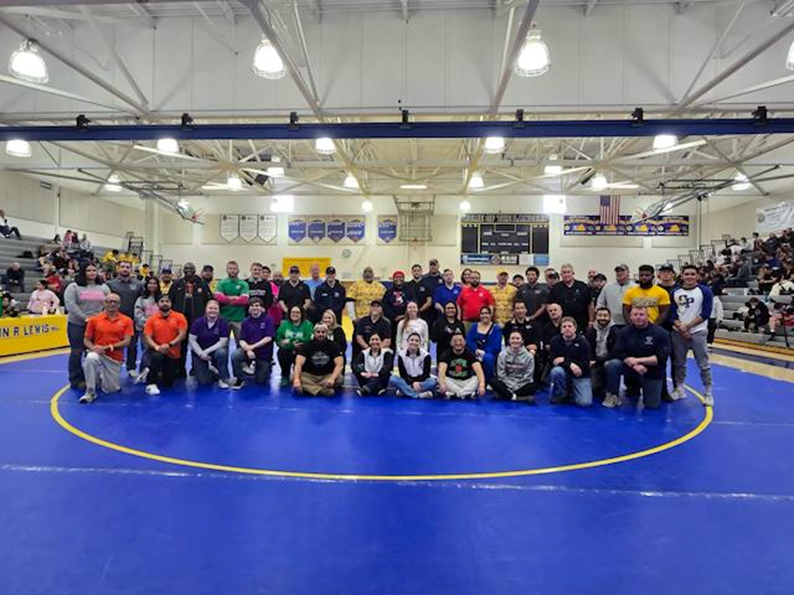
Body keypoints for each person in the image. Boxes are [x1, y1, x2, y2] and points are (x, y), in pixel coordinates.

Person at [604, 306, 672, 410]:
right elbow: (618, 352)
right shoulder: (624, 332)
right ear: (630, 317)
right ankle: (613, 395)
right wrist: (635, 365)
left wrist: (638, 361)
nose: (638, 317)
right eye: (635, 315)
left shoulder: (661, 333)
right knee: (612, 364)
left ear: (648, 316)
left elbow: (661, 358)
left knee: (652, 405)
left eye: (641, 315)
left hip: (652, 370)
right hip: (631, 367)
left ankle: (653, 388)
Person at [670, 265, 714, 406]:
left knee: (703, 364)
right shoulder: (675, 292)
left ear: (697, 276)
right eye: (686, 274)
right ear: (681, 276)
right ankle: (679, 388)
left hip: (698, 332)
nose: (689, 276)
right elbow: (672, 313)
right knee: (679, 363)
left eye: (692, 274)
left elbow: (706, 313)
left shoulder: (705, 291)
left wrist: (687, 327)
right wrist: (680, 326)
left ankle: (708, 393)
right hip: (678, 332)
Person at [79, 293, 134, 403]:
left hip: (115, 357)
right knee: (90, 358)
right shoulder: (94, 320)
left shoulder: (127, 320)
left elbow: (127, 341)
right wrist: (94, 348)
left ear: (119, 305)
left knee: (111, 390)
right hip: (98, 353)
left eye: (115, 302)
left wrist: (108, 347)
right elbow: (86, 340)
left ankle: (100, 376)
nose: (112, 304)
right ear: (104, 303)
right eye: (109, 301)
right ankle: (90, 392)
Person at [64, 262, 110, 389]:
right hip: (77, 325)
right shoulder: (73, 287)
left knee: (97, 352)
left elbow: (109, 304)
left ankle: (96, 377)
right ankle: (76, 379)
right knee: (77, 352)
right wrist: (85, 318)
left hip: (98, 326)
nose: (92, 273)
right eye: (88, 270)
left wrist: (99, 319)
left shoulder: (103, 288)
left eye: (94, 270)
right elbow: (71, 305)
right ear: (83, 272)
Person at [137, 295, 188, 396]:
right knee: (157, 356)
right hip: (156, 350)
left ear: (171, 303)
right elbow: (147, 336)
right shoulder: (152, 319)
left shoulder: (179, 317)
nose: (165, 303)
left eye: (167, 301)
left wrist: (169, 344)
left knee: (168, 383)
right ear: (158, 304)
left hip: (172, 352)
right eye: (162, 301)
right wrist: (157, 347)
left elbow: (182, 334)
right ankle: (150, 383)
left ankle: (155, 372)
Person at [168, 261, 212, 376]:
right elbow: (169, 301)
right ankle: (179, 369)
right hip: (180, 321)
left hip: (197, 321)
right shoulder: (177, 284)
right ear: (183, 270)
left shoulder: (202, 284)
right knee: (180, 345)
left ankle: (196, 368)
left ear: (195, 270)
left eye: (191, 268)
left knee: (197, 344)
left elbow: (209, 301)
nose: (188, 270)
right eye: (186, 268)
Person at [107, 260, 145, 375]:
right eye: (122, 267)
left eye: (127, 267)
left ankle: (131, 367)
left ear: (131, 269)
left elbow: (141, 302)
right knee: (113, 344)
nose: (125, 269)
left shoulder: (138, 284)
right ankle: (112, 367)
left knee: (132, 345)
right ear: (117, 269)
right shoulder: (110, 284)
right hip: (114, 320)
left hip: (132, 320)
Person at [231, 297, 275, 388]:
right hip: (249, 351)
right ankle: (239, 378)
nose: (254, 308)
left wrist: (252, 347)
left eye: (257, 305)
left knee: (261, 381)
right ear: (249, 308)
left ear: (262, 308)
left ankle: (265, 365)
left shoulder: (268, 319)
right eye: (252, 306)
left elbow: (268, 338)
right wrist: (248, 349)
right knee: (235, 355)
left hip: (263, 353)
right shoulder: (246, 321)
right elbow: (242, 340)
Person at [548, 317, 592, 407]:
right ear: (561, 329)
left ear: (575, 328)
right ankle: (562, 393)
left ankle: (572, 390)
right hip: (564, 373)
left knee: (585, 403)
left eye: (569, 326)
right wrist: (570, 364)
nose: (567, 328)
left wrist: (564, 360)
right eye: (564, 327)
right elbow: (553, 360)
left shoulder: (584, 343)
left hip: (580, 375)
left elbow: (585, 365)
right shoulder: (555, 341)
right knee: (556, 372)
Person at [293, 323, 344, 397]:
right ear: (314, 333)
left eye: (323, 332)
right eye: (318, 332)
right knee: (293, 377)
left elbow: (339, 364)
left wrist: (332, 379)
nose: (320, 334)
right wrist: (297, 380)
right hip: (309, 376)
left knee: (339, 379)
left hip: (326, 376)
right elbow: (298, 364)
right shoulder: (306, 346)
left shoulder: (334, 346)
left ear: (327, 333)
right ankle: (321, 391)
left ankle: (310, 389)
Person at [189, 299, 231, 388]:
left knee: (222, 353)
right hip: (199, 352)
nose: (213, 310)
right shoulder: (197, 322)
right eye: (210, 308)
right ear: (206, 309)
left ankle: (223, 378)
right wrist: (200, 353)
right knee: (204, 382)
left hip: (215, 351)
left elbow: (223, 342)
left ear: (219, 310)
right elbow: (192, 340)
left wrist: (206, 352)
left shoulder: (223, 323)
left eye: (215, 308)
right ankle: (212, 370)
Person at [586, 307, 620, 404]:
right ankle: (600, 386)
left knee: (611, 365)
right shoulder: (591, 331)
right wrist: (591, 359)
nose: (602, 318)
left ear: (609, 317)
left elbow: (616, 352)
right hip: (595, 361)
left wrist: (599, 361)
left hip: (609, 361)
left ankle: (612, 393)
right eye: (600, 315)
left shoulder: (615, 332)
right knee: (593, 389)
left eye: (605, 316)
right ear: (596, 317)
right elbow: (588, 348)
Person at [437, 332, 486, 400]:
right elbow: (441, 371)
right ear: (451, 343)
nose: (458, 343)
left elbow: (478, 370)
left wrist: (482, 385)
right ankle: (466, 394)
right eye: (455, 341)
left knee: (478, 379)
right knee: (440, 379)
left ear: (465, 342)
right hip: (452, 381)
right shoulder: (445, 354)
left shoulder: (470, 353)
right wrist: (442, 384)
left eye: (460, 340)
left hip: (467, 381)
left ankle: (456, 395)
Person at [491, 330, 536, 403]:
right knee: (493, 381)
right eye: (513, 338)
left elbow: (528, 376)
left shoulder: (529, 357)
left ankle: (506, 395)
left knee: (533, 386)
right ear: (509, 341)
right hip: (506, 383)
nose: (515, 341)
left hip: (521, 384)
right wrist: (510, 385)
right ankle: (516, 397)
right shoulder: (502, 355)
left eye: (518, 338)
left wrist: (515, 386)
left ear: (522, 341)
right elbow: (501, 375)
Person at [275, 305, 314, 387]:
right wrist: (292, 345)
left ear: (301, 314)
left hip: (302, 351)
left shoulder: (308, 325)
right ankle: (285, 376)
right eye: (293, 312)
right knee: (282, 352)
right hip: (287, 350)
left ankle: (299, 375)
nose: (295, 314)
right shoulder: (284, 324)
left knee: (304, 352)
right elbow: (278, 340)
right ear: (289, 313)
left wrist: (289, 340)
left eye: (297, 312)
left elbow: (307, 339)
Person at [389, 332, 436, 399]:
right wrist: (412, 383)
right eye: (412, 340)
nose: (414, 342)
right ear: (408, 341)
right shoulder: (401, 355)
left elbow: (426, 374)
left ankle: (405, 391)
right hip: (407, 380)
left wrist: (418, 383)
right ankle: (418, 395)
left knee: (433, 382)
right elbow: (402, 374)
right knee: (393, 379)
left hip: (421, 381)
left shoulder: (426, 355)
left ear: (419, 343)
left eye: (416, 341)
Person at [549, 263, 594, 332]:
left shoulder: (582, 286)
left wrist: (591, 321)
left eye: (568, 272)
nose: (566, 274)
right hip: (563, 324)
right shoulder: (555, 288)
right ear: (561, 274)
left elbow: (590, 304)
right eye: (564, 272)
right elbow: (551, 307)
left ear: (573, 273)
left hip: (582, 322)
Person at [214, 261, 250, 341]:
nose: (232, 270)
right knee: (222, 346)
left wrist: (226, 298)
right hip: (224, 318)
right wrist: (236, 298)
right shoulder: (221, 283)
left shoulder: (243, 284)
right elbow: (218, 298)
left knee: (241, 345)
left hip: (239, 319)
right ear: (227, 270)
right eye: (230, 268)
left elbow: (244, 300)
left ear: (238, 270)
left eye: (234, 268)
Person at [465, 305, 502, 382]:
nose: (484, 315)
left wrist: (484, 353)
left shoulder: (496, 329)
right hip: (475, 351)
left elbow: (496, 346)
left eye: (486, 313)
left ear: (490, 315)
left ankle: (489, 380)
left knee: (488, 358)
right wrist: (475, 350)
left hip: (489, 353)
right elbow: (469, 340)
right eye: (482, 313)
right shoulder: (474, 326)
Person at [383, 270, 409, 337]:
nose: (398, 279)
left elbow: (412, 305)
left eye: (400, 277)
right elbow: (385, 306)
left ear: (404, 279)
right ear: (393, 279)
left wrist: (403, 316)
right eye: (396, 277)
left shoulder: (409, 291)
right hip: (391, 322)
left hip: (406, 320)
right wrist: (394, 317)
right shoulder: (388, 292)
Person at [419, 258, 444, 324]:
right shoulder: (423, 278)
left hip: (439, 308)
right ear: (429, 266)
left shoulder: (443, 278)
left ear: (438, 266)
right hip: (426, 308)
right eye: (431, 265)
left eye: (435, 265)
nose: (433, 267)